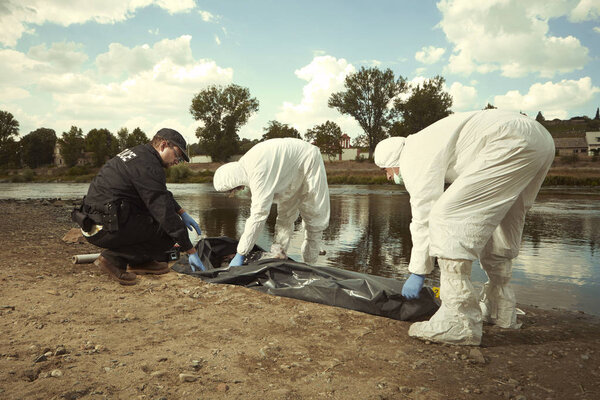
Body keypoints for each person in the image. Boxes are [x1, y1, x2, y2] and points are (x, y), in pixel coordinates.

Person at [374, 109, 555, 345]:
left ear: (392, 161)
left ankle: (459, 322)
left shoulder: (413, 156)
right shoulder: (429, 141)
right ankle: (500, 308)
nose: (388, 177)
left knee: (446, 217)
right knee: (503, 218)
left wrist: (418, 270)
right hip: (541, 138)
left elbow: (424, 215)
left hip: (508, 139)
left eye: (385, 170)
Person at [71, 128, 205, 285]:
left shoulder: (140, 154)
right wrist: (191, 251)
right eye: (178, 155)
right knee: (168, 232)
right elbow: (164, 213)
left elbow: (159, 193)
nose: (178, 161)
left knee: (157, 221)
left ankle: (140, 262)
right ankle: (112, 259)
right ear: (163, 145)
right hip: (104, 226)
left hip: (93, 221)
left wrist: (182, 212)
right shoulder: (149, 165)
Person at [213, 138, 330, 266]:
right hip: (290, 170)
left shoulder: (257, 173)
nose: (238, 190)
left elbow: (259, 215)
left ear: (234, 179)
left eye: (234, 189)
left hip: (309, 160)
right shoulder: (245, 167)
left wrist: (241, 253)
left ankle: (310, 266)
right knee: (285, 216)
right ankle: (279, 254)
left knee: (314, 218)